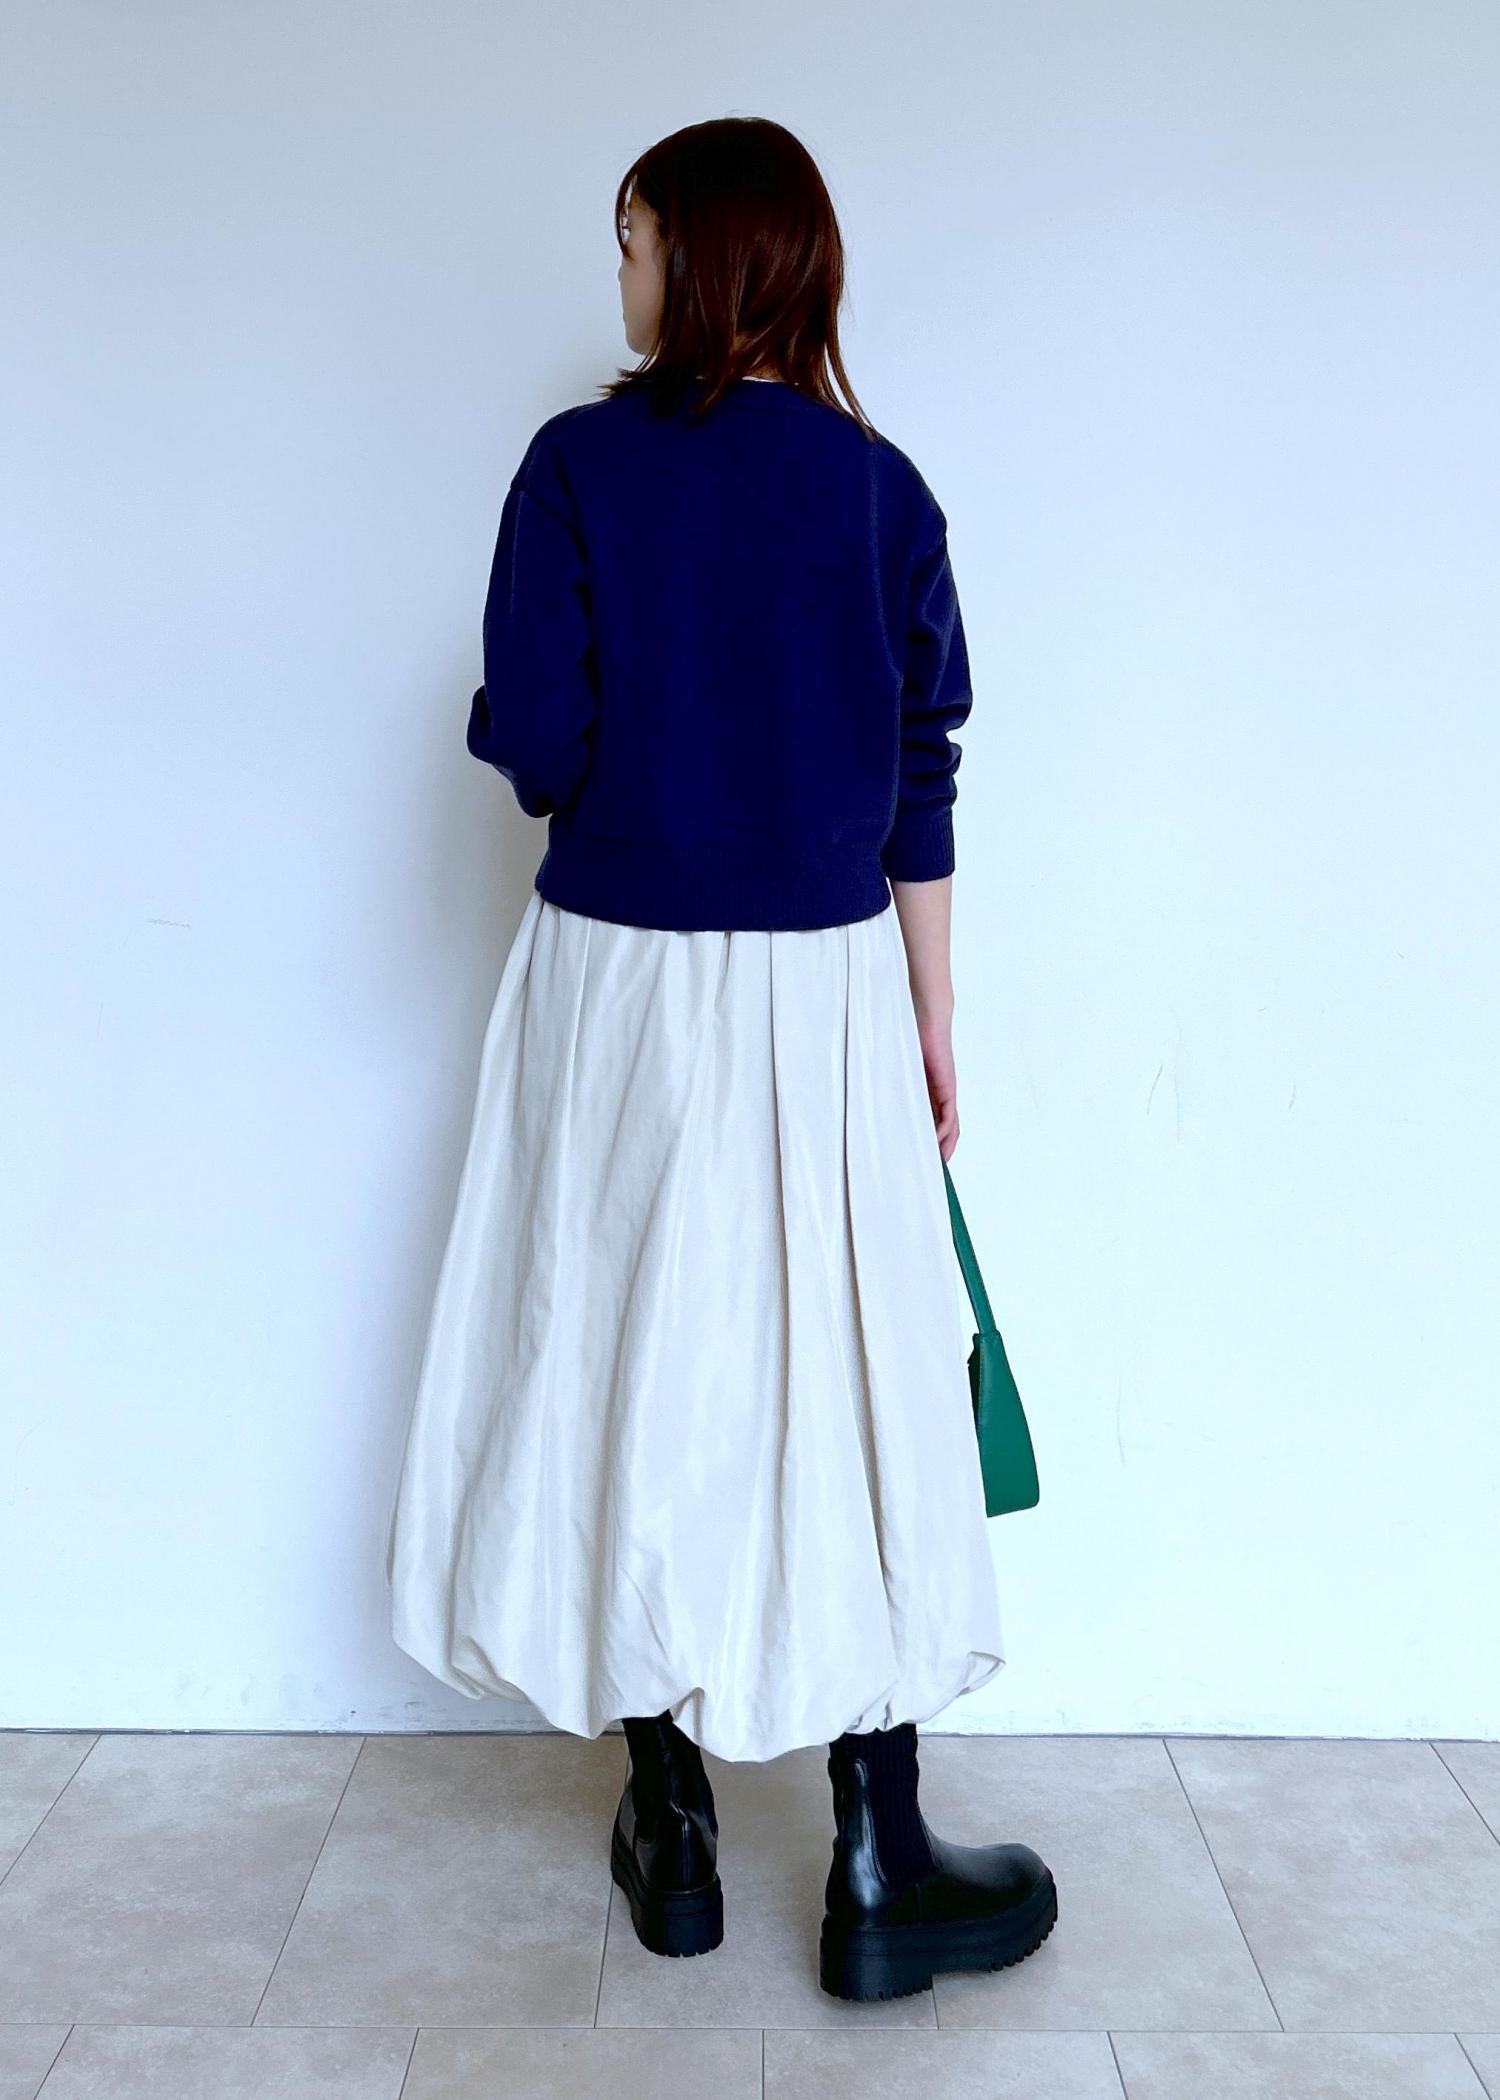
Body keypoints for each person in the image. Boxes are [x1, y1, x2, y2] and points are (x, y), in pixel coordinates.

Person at [385, 115, 1056, 2003]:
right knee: (848, 1373)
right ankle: (877, 1854)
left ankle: (667, 1815)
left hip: (610, 978)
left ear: (702, 257)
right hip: (827, 989)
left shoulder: (573, 468)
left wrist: (595, 756)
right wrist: (929, 1016)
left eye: (633, 240)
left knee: (616, 1345)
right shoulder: (881, 491)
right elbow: (920, 777)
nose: (620, 275)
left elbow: (539, 742)